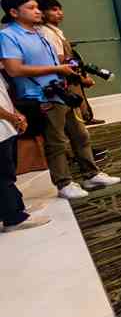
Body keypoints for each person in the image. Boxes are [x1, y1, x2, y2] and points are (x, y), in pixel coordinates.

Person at [0, 0, 119, 200]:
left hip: (61, 92)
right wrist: (57, 69)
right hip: (41, 96)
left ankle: (91, 174)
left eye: (37, 7)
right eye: (31, 8)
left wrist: (74, 75)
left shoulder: (39, 32)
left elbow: (56, 61)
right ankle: (64, 183)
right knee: (56, 142)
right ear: (14, 12)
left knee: (80, 135)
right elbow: (14, 69)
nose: (38, 11)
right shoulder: (8, 36)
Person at [37, 0, 103, 125]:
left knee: (79, 117)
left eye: (60, 9)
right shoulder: (48, 33)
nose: (60, 13)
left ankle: (86, 118)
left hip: (70, 77)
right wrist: (82, 79)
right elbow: (60, 62)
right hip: (65, 80)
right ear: (43, 13)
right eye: (54, 10)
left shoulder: (55, 31)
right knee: (74, 121)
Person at [0, 68, 50, 232]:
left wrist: (17, 114)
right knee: (3, 176)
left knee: (8, 172)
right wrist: (13, 118)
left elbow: (4, 95)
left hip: (6, 127)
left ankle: (16, 208)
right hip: (3, 128)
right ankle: (13, 218)